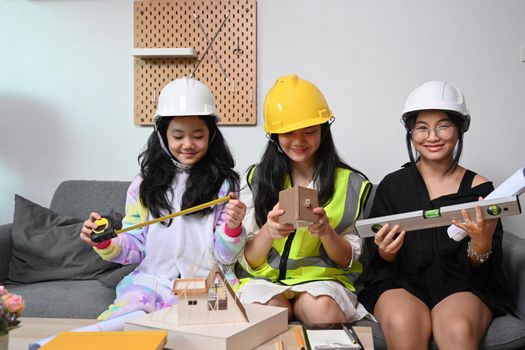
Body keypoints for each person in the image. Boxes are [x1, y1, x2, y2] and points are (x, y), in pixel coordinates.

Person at [359, 81, 513, 349]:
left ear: (460, 128)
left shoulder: (481, 190)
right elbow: (377, 261)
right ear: (410, 132)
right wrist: (386, 251)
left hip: (462, 284)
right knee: (402, 322)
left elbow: (486, 265)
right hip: (402, 282)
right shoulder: (393, 186)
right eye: (421, 128)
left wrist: (480, 244)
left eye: (443, 125)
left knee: (457, 328)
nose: (432, 137)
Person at [79, 77, 247, 320]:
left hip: (208, 282)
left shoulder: (225, 185)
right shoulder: (142, 185)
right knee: (122, 322)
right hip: (152, 281)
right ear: (162, 134)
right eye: (178, 136)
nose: (188, 144)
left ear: (211, 136)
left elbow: (226, 256)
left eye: (198, 135)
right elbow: (134, 247)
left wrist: (233, 228)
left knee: (212, 330)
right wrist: (105, 242)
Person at [235, 74, 373, 325]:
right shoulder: (255, 178)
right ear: (274, 135)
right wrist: (268, 232)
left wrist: (326, 232)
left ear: (323, 129)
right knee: (262, 315)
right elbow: (250, 260)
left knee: (321, 311)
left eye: (309, 132)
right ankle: (287, 308)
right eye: (288, 133)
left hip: (324, 282)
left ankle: (304, 309)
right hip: (264, 281)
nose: (298, 141)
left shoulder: (352, 184)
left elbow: (347, 260)